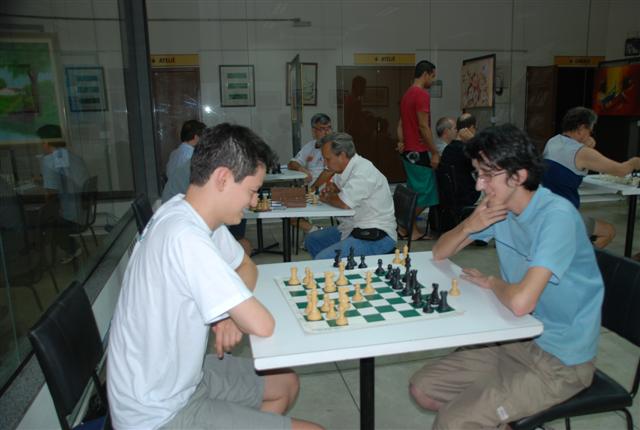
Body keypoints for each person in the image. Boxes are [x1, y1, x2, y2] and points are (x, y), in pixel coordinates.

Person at [108, 123, 322, 430]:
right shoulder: (185, 236)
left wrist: (228, 316)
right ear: (222, 178)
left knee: (284, 383)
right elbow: (262, 324)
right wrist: (238, 312)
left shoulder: (188, 213)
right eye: (250, 191)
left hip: (184, 375)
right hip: (155, 412)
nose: (252, 203)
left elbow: (247, 267)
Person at [409, 124, 603, 428]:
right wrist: (470, 224)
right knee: (422, 389)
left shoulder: (556, 217)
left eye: (487, 176)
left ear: (518, 176)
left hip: (561, 360)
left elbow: (521, 303)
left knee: (452, 422)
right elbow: (439, 253)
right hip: (515, 338)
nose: (479, 186)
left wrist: (492, 283)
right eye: (477, 174)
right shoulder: (499, 207)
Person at [542, 106, 640, 248]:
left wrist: (586, 145)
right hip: (563, 215)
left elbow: (572, 162)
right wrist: (634, 162)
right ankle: (581, 261)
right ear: (581, 129)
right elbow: (620, 170)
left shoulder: (553, 141)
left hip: (545, 208)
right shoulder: (582, 153)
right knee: (608, 232)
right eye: (590, 130)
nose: (591, 134)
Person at [303, 132, 396, 260]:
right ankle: (335, 274)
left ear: (342, 155)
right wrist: (332, 190)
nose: (325, 163)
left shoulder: (363, 171)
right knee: (312, 240)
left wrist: (327, 197)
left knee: (323, 259)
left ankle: (334, 274)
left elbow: (343, 203)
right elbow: (334, 188)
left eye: (327, 159)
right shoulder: (343, 169)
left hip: (376, 234)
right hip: (352, 227)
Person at [161, 158, 253, 255]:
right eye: (251, 191)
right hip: (180, 223)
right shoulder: (186, 234)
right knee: (244, 245)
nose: (253, 202)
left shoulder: (199, 166)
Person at [397, 60, 439, 241]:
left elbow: (400, 123)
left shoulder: (407, 94)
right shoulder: (421, 95)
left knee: (415, 191)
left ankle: (409, 229)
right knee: (428, 193)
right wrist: (435, 152)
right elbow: (424, 126)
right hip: (418, 151)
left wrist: (401, 141)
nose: (433, 80)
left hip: (408, 151)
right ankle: (404, 224)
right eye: (433, 76)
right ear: (426, 74)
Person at [38, 124, 89, 264]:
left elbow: (51, 194)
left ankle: (66, 248)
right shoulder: (73, 157)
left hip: (68, 217)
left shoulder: (48, 161)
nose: (42, 146)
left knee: (39, 217)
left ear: (47, 142)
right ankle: (71, 245)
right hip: (83, 213)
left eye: (42, 142)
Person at [287, 113, 335, 233]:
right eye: (322, 129)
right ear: (314, 131)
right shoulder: (310, 146)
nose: (327, 132)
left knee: (289, 210)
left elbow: (330, 171)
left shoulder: (335, 146)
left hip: (326, 190)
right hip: (309, 190)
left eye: (329, 128)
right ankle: (316, 231)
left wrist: (313, 188)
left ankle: (315, 233)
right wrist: (302, 169)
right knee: (285, 208)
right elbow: (291, 163)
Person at [439, 113, 480, 208]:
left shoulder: (448, 149)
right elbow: (487, 163)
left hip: (450, 198)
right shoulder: (467, 150)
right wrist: (473, 140)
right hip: (468, 196)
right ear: (471, 128)